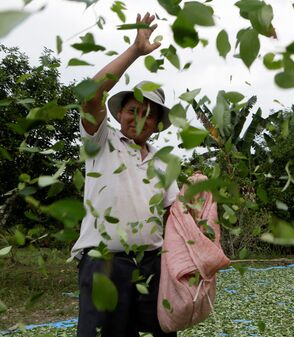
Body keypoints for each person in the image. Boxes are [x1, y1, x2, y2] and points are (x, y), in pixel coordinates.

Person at [70, 12, 179, 337]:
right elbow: (90, 96)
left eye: (149, 114)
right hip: (104, 264)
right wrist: (135, 51)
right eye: (134, 110)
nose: (140, 119)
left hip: (151, 268)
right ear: (119, 113)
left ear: (158, 124)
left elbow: (174, 214)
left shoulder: (163, 162)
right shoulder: (102, 141)